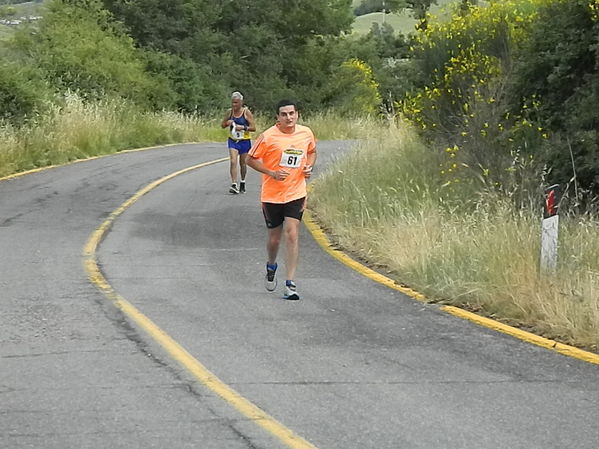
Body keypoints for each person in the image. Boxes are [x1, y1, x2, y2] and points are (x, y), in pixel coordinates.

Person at [246, 99, 317, 300]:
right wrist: (271, 172)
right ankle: (271, 265)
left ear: (297, 114)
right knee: (275, 238)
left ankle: (290, 283)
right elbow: (249, 159)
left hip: (296, 192)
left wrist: (308, 167)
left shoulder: (306, 133)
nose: (288, 118)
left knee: (292, 233)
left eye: (291, 114)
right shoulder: (268, 137)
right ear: (277, 117)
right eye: (284, 114)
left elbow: (311, 152)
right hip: (272, 195)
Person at [221, 91, 256, 194]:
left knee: (243, 164)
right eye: (232, 102)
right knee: (233, 161)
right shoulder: (229, 112)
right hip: (233, 140)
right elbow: (222, 125)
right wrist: (227, 123)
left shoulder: (246, 112)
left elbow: (253, 128)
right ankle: (234, 184)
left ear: (241, 102)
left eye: (236, 103)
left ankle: (242, 181)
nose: (234, 105)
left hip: (244, 141)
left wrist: (243, 127)